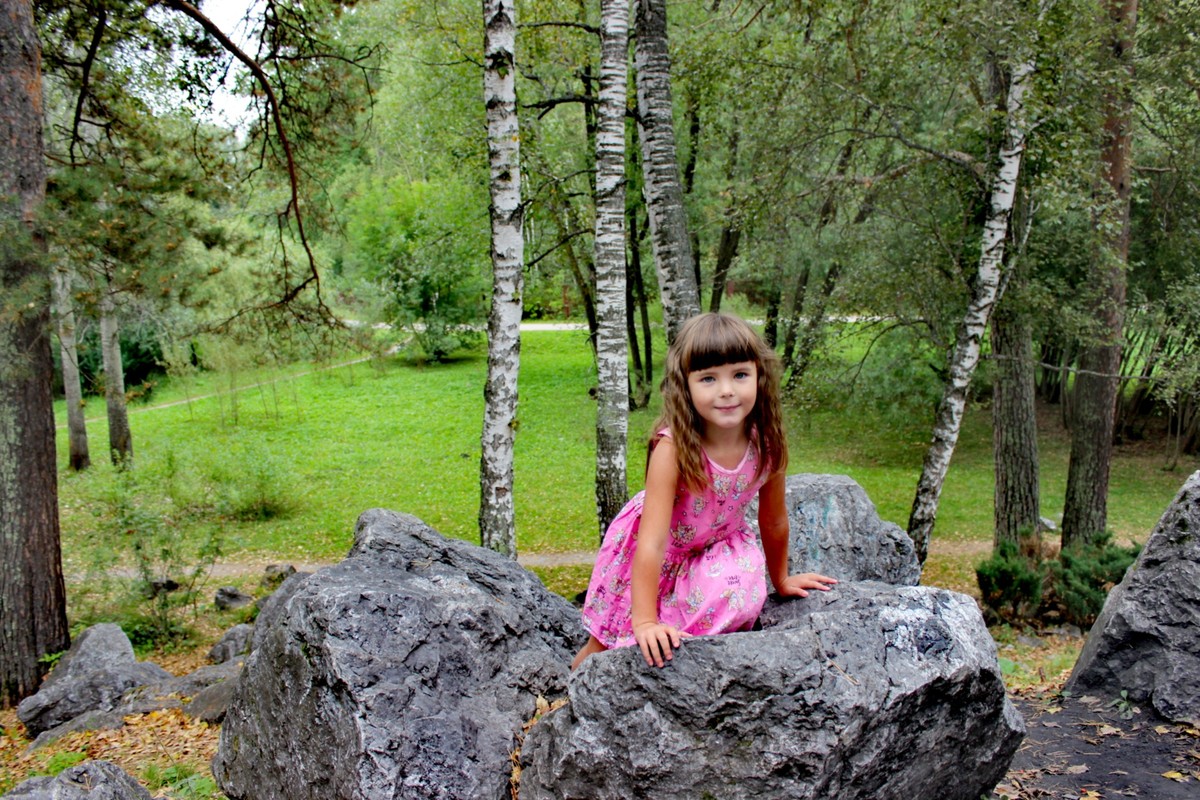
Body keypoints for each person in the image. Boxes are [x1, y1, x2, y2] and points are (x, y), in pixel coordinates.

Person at [572, 312, 837, 671]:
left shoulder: (767, 443)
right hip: (657, 550)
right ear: (686, 386)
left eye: (740, 375)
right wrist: (644, 621)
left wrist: (782, 579)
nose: (726, 390)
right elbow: (652, 543)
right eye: (709, 378)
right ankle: (577, 684)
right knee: (606, 643)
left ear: (759, 375)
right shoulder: (673, 449)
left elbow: (774, 520)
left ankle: (681, 655)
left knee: (740, 591)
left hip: (717, 547)